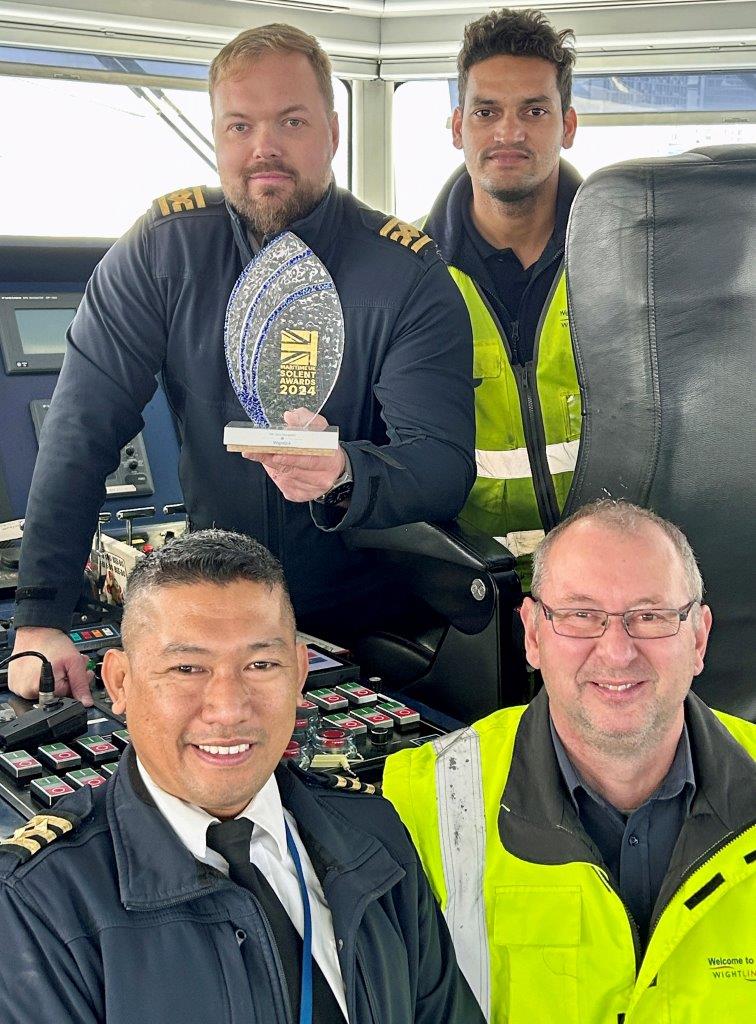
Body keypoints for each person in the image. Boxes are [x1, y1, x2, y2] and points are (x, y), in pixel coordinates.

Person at [9, 23, 475, 704]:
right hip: (214, 617)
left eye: (291, 121)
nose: (265, 148)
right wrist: (40, 618)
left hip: (363, 626)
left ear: (334, 132)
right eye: (239, 126)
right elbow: (80, 431)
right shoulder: (162, 254)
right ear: (218, 136)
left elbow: (440, 464)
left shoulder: (405, 272)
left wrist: (346, 472)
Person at [0, 529, 482, 1024]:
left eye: (260, 664)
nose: (229, 709)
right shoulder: (35, 906)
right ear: (120, 682)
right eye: (187, 668)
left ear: (298, 674)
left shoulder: (376, 833)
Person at [383, 500, 756, 1024]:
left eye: (649, 616)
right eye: (582, 615)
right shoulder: (422, 804)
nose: (618, 652)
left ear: (698, 636)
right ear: (533, 634)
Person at [425, 8, 582, 582]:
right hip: (467, 593)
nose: (509, 133)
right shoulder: (407, 277)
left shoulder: (628, 263)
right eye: (487, 112)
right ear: (457, 126)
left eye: (534, 112)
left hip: (608, 585)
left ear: (567, 125)